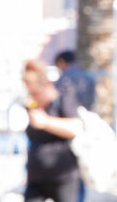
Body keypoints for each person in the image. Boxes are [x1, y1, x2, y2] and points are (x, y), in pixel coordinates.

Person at [22, 60, 82, 202]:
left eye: (36, 93)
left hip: (62, 175)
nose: (33, 97)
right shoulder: (33, 106)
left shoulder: (63, 100)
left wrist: (46, 122)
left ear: (46, 86)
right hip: (36, 177)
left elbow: (75, 127)